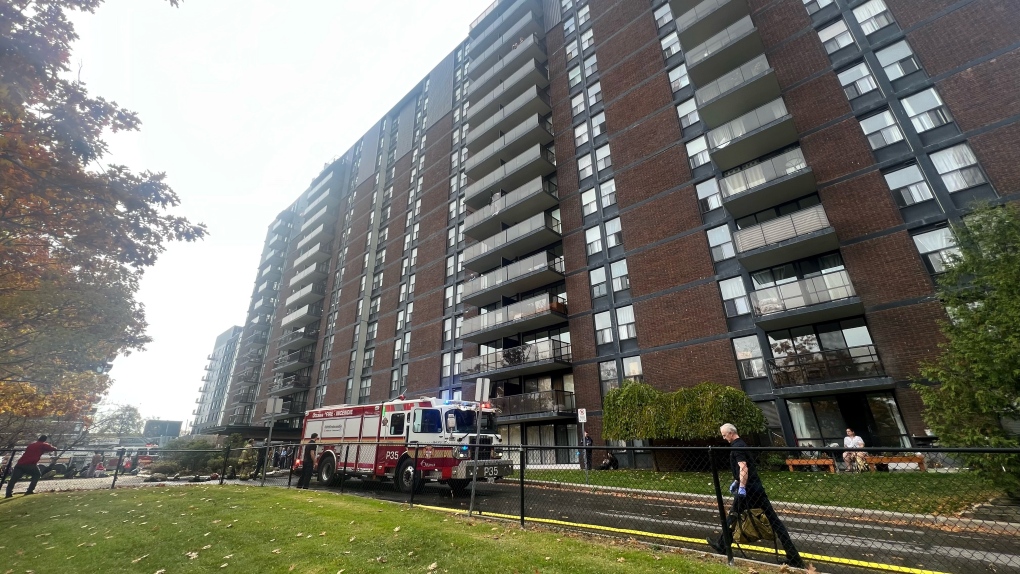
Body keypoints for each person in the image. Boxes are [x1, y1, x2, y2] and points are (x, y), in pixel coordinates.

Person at [707, 424, 805, 569]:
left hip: (748, 490)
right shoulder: (742, 445)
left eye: (724, 435)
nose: (723, 438)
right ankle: (794, 557)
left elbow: (744, 468)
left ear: (731, 433)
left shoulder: (737, 447)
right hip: (756, 488)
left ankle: (722, 545)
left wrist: (741, 487)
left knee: (733, 515)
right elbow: (747, 469)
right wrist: (736, 481)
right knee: (774, 521)